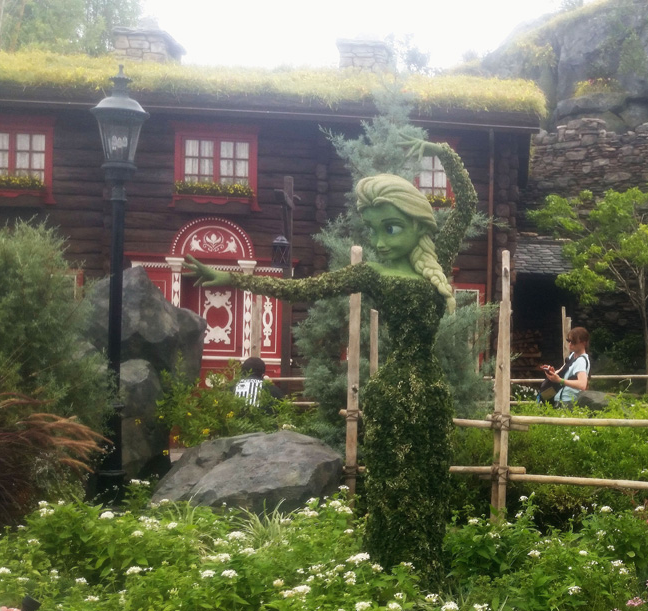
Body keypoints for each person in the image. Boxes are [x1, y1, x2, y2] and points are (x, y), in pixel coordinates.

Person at [184, 137, 473, 580]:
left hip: (430, 396)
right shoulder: (370, 273)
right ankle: (390, 568)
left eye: (390, 227)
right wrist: (235, 278)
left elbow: (467, 200)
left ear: (419, 225)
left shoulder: (436, 258)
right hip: (395, 395)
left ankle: (426, 570)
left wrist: (439, 150)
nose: (379, 240)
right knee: (393, 484)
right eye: (373, 229)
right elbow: (302, 288)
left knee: (428, 481)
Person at [540, 327, 590, 407]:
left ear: (583, 343)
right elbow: (562, 371)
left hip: (569, 402)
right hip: (562, 399)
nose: (570, 344)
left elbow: (582, 385)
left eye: (573, 341)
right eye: (569, 341)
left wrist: (560, 380)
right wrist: (552, 372)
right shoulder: (572, 356)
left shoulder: (581, 361)